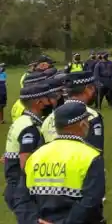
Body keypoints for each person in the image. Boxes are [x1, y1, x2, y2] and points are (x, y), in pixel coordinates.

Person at [16, 102, 105, 224]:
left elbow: (21, 198)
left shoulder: (36, 155)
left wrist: (33, 221)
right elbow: (91, 201)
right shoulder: (90, 156)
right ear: (83, 124)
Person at [3, 81, 57, 211]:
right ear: (39, 103)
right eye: (48, 99)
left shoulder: (21, 121)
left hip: (14, 186)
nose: (51, 102)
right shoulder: (30, 127)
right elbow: (25, 161)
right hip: (22, 189)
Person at [42, 71, 104, 151]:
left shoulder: (48, 119)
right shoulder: (91, 116)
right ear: (89, 88)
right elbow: (96, 150)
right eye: (94, 88)